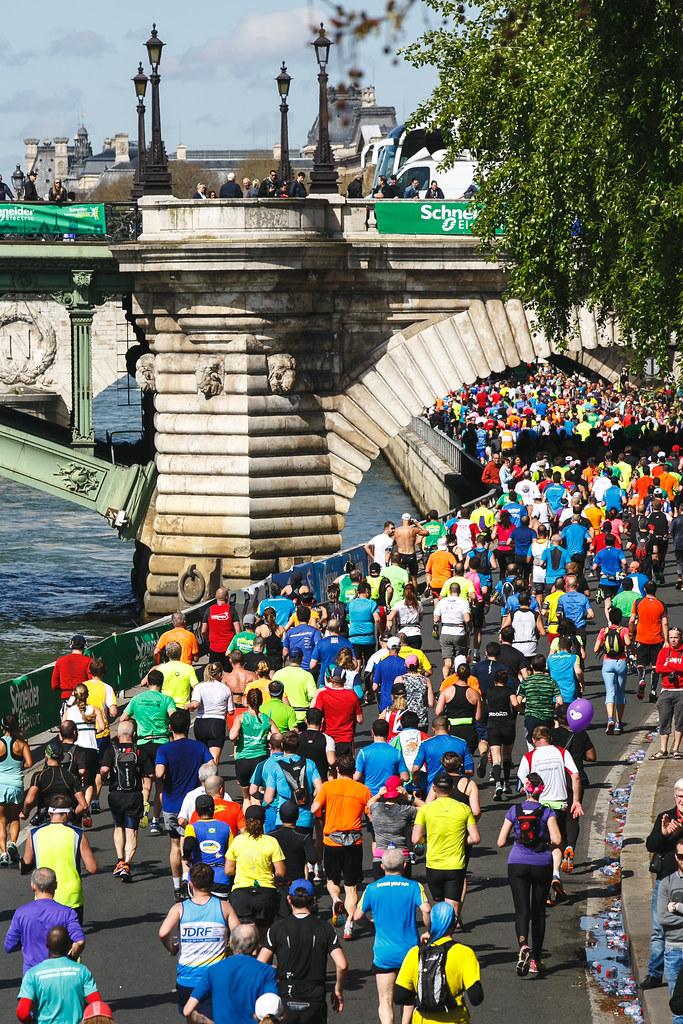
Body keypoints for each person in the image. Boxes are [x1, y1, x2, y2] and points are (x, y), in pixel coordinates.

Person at [353, 848, 430, 1024]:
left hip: (384, 954)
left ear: (382, 866)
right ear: (404, 865)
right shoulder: (414, 887)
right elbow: (426, 909)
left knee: (385, 1000)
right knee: (408, 997)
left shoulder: (372, 889)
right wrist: (429, 931)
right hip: (409, 953)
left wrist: (370, 926)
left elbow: (357, 916)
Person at [496, 771, 562, 976]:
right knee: (539, 912)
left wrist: (514, 841)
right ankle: (536, 960)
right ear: (542, 791)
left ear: (524, 789)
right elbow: (557, 840)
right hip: (541, 863)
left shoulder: (514, 810)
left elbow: (500, 841)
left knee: (521, 911)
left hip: (517, 863)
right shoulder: (547, 811)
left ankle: (523, 946)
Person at [260, 878, 348, 1022]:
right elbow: (342, 965)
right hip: (315, 997)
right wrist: (338, 989)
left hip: (286, 996)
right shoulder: (324, 928)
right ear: (313, 900)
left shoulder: (277, 928)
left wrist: (277, 969)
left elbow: (260, 965)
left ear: (289, 900)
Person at [159, 862, 237, 1020]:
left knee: (191, 1016)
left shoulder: (179, 909)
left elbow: (163, 932)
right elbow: (240, 935)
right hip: (216, 978)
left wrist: (172, 948)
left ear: (191, 884)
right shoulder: (224, 907)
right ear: (213, 884)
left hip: (188, 979)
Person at [517, 726, 583, 905]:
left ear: (533, 740)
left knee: (539, 846)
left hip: (538, 807)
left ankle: (544, 892)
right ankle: (555, 874)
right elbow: (575, 777)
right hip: (559, 805)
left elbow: (525, 783)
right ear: (550, 739)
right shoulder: (561, 752)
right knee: (556, 843)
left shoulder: (529, 757)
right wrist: (576, 801)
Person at [311, 753, 373, 938]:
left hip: (332, 840)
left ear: (337, 769)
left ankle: (336, 899)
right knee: (352, 886)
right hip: (354, 841)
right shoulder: (362, 790)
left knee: (332, 880)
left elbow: (315, 809)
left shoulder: (328, 787)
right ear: (354, 771)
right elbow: (371, 815)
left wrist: (322, 816)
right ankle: (348, 925)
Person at [155, 710, 215, 901]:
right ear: (188, 726)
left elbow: (158, 773)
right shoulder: (198, 747)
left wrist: (164, 776)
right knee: (187, 844)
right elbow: (212, 766)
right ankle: (189, 883)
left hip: (172, 803)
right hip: (192, 804)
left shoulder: (164, 749)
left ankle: (176, 886)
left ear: (170, 727)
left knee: (174, 845)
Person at [393, 901, 483, 1023]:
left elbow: (399, 996)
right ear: (454, 923)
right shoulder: (464, 953)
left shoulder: (415, 953)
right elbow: (476, 997)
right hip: (455, 1019)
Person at [411, 772, 480, 918]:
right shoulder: (464, 808)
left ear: (434, 789)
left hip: (433, 865)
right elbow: (475, 838)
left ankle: (440, 937)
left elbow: (416, 839)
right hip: (455, 865)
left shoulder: (425, 809)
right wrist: (460, 839)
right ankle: (449, 937)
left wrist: (427, 839)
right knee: (453, 909)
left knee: (438, 907)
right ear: (452, 788)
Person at [182, 922, 278, 1024]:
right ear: (256, 945)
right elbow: (271, 1009)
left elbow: (188, 1011)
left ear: (231, 942)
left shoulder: (214, 970)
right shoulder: (267, 971)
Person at [22, 794, 98, 923]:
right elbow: (92, 868)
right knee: (72, 938)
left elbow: (26, 862)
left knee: (46, 937)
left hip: (43, 893)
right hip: (71, 896)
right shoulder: (77, 833)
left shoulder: (34, 833)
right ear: (68, 814)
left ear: (49, 812)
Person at [120, 668, 175, 836]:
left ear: (148, 682)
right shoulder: (166, 699)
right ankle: (155, 821)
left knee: (146, 782)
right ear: (162, 683)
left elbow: (123, 719)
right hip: (162, 743)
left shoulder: (137, 699)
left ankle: (144, 808)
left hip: (143, 743)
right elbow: (174, 719)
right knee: (161, 784)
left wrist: (137, 724)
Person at [4, 867, 85, 974]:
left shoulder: (21, 913)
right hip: (59, 975)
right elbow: (80, 942)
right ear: (55, 885)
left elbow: (9, 946)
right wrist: (71, 958)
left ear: (33, 886)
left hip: (33, 976)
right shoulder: (67, 913)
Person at [642, 780, 683, 990]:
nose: (681, 800)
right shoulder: (666, 816)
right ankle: (654, 974)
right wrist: (666, 834)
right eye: (679, 796)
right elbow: (651, 844)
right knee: (659, 929)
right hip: (666, 881)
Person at [16, 925, 101, 1024]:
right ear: (69, 946)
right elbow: (97, 1006)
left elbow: (22, 1013)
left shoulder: (32, 974)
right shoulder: (82, 971)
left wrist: (31, 1020)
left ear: (47, 944)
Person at [226, 805, 286, 937]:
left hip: (241, 895)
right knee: (263, 939)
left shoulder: (237, 841)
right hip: (265, 894)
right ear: (263, 821)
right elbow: (281, 872)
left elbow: (228, 870)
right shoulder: (271, 842)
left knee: (247, 939)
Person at [98, 720, 144, 882]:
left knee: (118, 827)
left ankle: (120, 861)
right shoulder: (139, 751)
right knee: (132, 831)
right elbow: (149, 775)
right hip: (134, 795)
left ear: (118, 735)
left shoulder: (112, 750)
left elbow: (104, 770)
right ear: (134, 735)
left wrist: (104, 777)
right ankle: (127, 864)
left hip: (116, 795)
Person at [229, 687, 282, 805]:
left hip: (243, 760)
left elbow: (232, 736)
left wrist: (237, 741)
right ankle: (258, 820)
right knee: (257, 794)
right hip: (260, 760)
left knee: (246, 798)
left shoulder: (241, 718)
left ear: (247, 701)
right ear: (261, 702)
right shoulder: (266, 719)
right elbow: (278, 736)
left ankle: (247, 822)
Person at [62, 685, 105, 827]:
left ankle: (73, 809)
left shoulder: (69, 711)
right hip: (91, 749)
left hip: (75, 750)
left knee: (73, 782)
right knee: (89, 783)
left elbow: (63, 728)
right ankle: (85, 807)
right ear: (87, 695)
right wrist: (92, 731)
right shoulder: (94, 709)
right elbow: (102, 727)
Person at [21, 739, 87, 823]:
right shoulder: (71, 777)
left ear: (46, 757)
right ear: (62, 758)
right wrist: (70, 817)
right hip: (65, 821)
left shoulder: (39, 776)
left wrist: (25, 813)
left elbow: (29, 800)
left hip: (46, 820)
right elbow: (84, 805)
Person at [366, 775, 419, 879]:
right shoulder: (405, 810)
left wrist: (378, 795)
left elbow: (369, 802)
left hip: (380, 857)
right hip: (402, 856)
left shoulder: (376, 808)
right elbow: (425, 807)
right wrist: (409, 797)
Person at [182, 794, 234, 896]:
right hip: (221, 878)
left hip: (198, 877)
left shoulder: (191, 828)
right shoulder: (226, 827)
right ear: (214, 809)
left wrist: (187, 856)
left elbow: (188, 845)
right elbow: (232, 852)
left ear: (196, 810)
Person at [630, 580, 669, 702]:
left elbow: (631, 620)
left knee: (640, 663)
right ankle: (653, 690)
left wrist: (631, 633)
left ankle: (641, 680)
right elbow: (665, 623)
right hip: (657, 639)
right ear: (655, 590)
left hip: (641, 637)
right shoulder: (661, 605)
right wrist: (666, 640)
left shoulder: (638, 602)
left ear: (645, 590)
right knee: (655, 666)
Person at [0, 713, 32, 864]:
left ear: (2, 727)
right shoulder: (22, 744)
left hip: (0, 785)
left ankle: (3, 853)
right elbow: (29, 763)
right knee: (14, 818)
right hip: (16, 785)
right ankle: (12, 843)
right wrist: (18, 766)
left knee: (1, 820)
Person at [483, 669, 520, 799]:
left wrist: (491, 709)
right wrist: (522, 710)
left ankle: (498, 784)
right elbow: (515, 703)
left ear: (495, 680)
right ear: (505, 681)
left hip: (493, 725)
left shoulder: (488, 691)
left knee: (496, 757)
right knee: (507, 755)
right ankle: (506, 783)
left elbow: (482, 702)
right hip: (507, 725)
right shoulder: (509, 690)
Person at [593, 607, 631, 734]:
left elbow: (595, 649)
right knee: (620, 692)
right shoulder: (623, 630)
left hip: (607, 662)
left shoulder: (604, 630)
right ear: (620, 619)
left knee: (610, 692)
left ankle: (610, 719)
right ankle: (619, 723)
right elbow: (628, 642)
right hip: (621, 662)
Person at [412, 717, 474, 793]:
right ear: (449, 727)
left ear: (433, 729)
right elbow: (470, 771)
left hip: (434, 789)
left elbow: (415, 769)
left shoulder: (425, 744)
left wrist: (416, 786)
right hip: (456, 788)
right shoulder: (462, 743)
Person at [658, 837, 683, 1024]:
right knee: (678, 1005)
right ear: (676, 857)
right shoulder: (666, 883)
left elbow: (669, 915)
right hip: (674, 949)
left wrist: (677, 908)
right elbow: (662, 918)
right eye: (682, 856)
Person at [312, 667, 364, 756]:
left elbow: (316, 716)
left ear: (331, 679)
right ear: (344, 680)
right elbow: (360, 720)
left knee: (329, 766)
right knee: (346, 767)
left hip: (327, 737)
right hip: (346, 739)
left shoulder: (322, 695)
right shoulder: (352, 695)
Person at [189, 661, 234, 763]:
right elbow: (231, 711)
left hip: (201, 723)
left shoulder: (200, 687)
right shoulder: (225, 689)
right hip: (217, 723)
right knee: (214, 760)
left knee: (202, 756)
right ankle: (212, 777)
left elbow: (195, 703)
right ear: (219, 674)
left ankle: (202, 777)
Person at [651, 628, 683, 759]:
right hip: (666, 690)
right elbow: (658, 668)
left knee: (680, 721)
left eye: (676, 637)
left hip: (681, 690)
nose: (673, 640)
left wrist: (669, 664)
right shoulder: (664, 651)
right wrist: (673, 668)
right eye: (671, 637)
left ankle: (676, 749)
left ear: (681, 638)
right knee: (664, 720)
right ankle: (663, 749)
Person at [517, 654, 562, 745]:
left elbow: (518, 700)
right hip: (547, 717)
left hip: (531, 717)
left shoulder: (526, 681)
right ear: (545, 666)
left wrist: (523, 710)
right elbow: (560, 701)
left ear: (531, 666)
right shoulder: (551, 681)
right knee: (547, 741)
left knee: (531, 742)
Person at [354, 719, 409, 794]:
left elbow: (356, 777)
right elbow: (405, 777)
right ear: (388, 733)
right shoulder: (397, 753)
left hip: (371, 794)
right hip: (390, 794)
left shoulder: (363, 753)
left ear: (372, 733)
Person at [51, 635, 92, 714]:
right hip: (83, 697)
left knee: (67, 723)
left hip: (66, 697)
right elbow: (91, 682)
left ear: (71, 646)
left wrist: (65, 687)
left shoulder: (60, 661)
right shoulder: (89, 661)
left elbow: (54, 685)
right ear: (84, 646)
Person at [201, 588, 239, 668]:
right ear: (227, 598)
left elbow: (203, 631)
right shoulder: (231, 610)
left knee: (214, 672)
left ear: (216, 597)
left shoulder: (209, 610)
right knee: (227, 673)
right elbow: (238, 630)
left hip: (214, 647)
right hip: (229, 648)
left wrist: (208, 641)